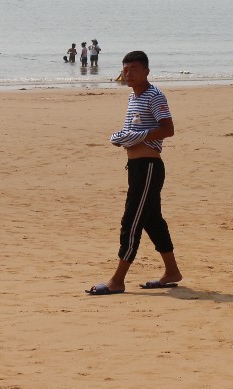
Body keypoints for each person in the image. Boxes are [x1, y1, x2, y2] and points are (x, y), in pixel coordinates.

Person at [86, 50, 183, 294]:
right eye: (125, 69)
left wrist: (137, 137)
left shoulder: (154, 96)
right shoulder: (133, 98)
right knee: (152, 220)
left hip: (149, 167)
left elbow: (168, 129)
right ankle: (172, 271)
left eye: (134, 70)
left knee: (131, 221)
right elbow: (134, 129)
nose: (128, 74)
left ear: (147, 71)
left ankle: (117, 280)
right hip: (137, 166)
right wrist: (125, 139)